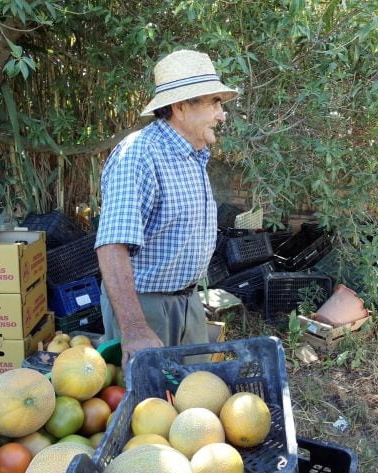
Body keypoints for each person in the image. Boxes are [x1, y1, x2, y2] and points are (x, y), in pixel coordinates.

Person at [95, 49, 238, 372]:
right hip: (146, 309)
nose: (222, 114)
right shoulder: (139, 155)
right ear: (181, 107)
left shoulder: (192, 155)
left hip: (187, 302)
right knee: (150, 411)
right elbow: (111, 246)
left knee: (194, 402)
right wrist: (133, 329)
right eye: (214, 102)